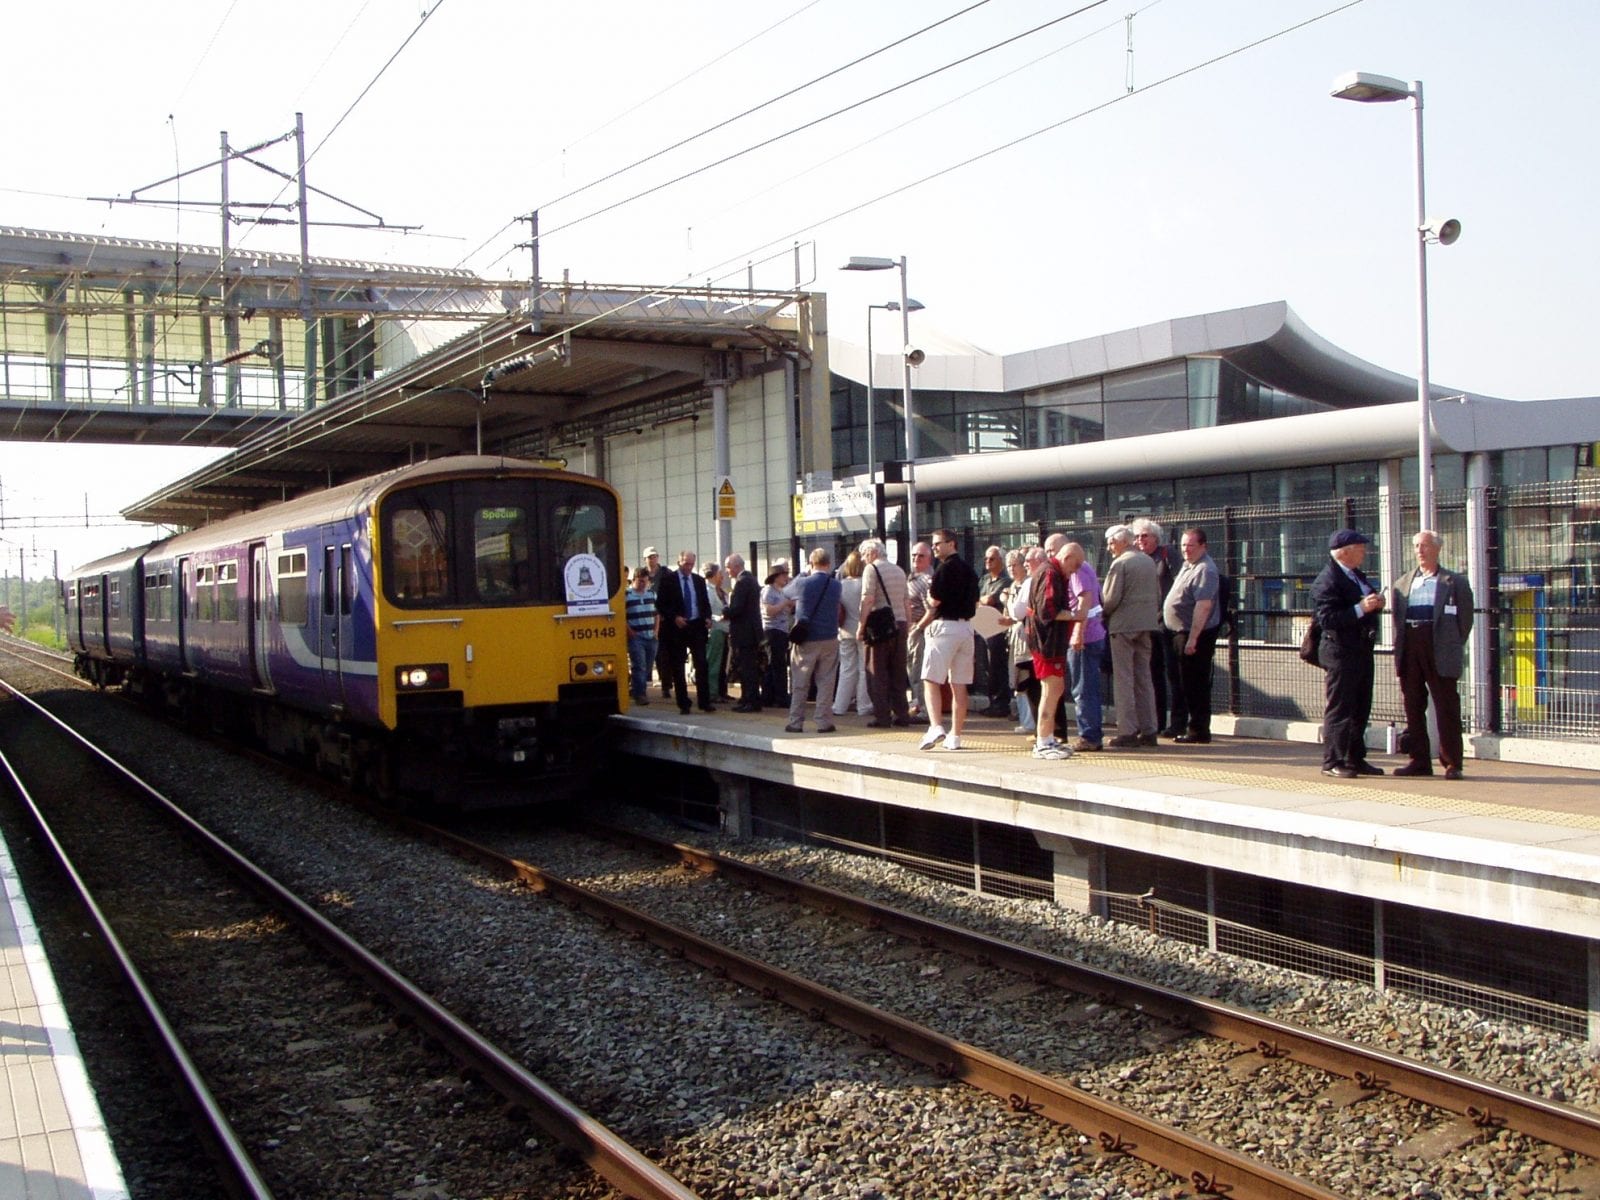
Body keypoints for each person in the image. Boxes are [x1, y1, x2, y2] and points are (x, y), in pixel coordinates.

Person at [1390, 529, 1474, 780]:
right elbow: (1397, 618)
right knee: (1413, 705)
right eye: (1416, 546)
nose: (1420, 551)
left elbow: (1465, 620)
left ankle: (1452, 763)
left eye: (1425, 545)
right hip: (1411, 645)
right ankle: (1419, 760)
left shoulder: (1454, 582)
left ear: (1437, 548)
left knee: (1446, 705)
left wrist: (1451, 643)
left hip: (1439, 646)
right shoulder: (1403, 583)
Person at [1311, 528, 1386, 779]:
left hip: (1361, 648)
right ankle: (1333, 759)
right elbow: (1328, 618)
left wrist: (1375, 604)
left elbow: (1363, 603)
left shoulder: (1356, 576)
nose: (1365, 552)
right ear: (1344, 552)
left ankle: (1355, 756)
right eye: (1360, 548)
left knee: (1360, 705)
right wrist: (1360, 608)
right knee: (1340, 707)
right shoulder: (1328, 580)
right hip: (1340, 650)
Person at [914, 528, 980, 750]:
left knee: (930, 679)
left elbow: (934, 601)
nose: (934, 548)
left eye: (937, 544)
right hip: (966, 628)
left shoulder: (943, 570)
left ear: (951, 543)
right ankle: (956, 735)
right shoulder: (970, 571)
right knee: (959, 684)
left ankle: (935, 726)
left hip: (944, 627)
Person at [1101, 524, 1161, 748]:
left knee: (1124, 679)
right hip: (1146, 624)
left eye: (1111, 542)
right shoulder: (1147, 561)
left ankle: (1127, 730)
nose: (1109, 548)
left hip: (1123, 626)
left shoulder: (1120, 563)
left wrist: (1101, 614)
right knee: (1144, 678)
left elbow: (1110, 599)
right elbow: (1157, 592)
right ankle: (1149, 729)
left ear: (1123, 541)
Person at [1162, 526, 1222, 744]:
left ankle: (1198, 730)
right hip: (1178, 632)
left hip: (1193, 634)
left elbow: (1203, 606)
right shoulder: (1189, 565)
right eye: (1183, 545)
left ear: (1203, 546)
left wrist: (1193, 638)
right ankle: (1181, 724)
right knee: (1181, 681)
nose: (1186, 550)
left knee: (1194, 683)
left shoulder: (1205, 570)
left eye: (1191, 545)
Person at [1133, 519, 1185, 738]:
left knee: (1174, 673)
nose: (1140, 540)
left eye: (1144, 536)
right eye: (1137, 537)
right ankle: (1155, 721)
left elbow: (1178, 584)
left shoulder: (1167, 555)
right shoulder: (1137, 559)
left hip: (1166, 623)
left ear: (1156, 537)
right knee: (1151, 674)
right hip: (1146, 623)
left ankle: (1178, 723)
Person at [1024, 539, 1074, 760]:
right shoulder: (1050, 574)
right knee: (1051, 688)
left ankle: (1047, 737)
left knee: (1055, 687)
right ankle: (1043, 741)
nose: (1076, 571)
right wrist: (1075, 615)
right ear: (1066, 558)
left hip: (1048, 641)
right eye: (1076, 565)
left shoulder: (1050, 572)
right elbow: (1047, 610)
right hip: (1047, 642)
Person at [785, 547, 843, 733]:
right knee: (826, 681)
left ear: (811, 563)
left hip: (806, 639)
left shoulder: (803, 583)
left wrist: (802, 573)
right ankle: (824, 722)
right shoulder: (836, 585)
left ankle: (796, 722)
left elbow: (786, 592)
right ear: (828, 564)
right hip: (830, 637)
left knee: (801, 681)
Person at [655, 549, 716, 715]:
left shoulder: (698, 581)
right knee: (678, 666)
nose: (689, 567)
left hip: (696, 625)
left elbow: (704, 602)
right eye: (686, 563)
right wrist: (674, 617)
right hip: (677, 628)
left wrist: (707, 617)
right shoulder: (668, 580)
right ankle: (684, 703)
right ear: (679, 562)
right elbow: (660, 604)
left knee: (701, 663)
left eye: (691, 564)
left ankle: (704, 701)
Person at [857, 538, 911, 727]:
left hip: (880, 626)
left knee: (876, 671)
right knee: (898, 671)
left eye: (864, 555)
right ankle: (902, 713)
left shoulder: (871, 569)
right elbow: (906, 601)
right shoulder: (899, 570)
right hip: (901, 624)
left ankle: (882, 716)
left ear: (872, 553)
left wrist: (861, 626)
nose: (863, 560)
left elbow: (868, 599)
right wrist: (908, 625)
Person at [1061, 542, 1107, 752]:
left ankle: (1089, 735)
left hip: (1084, 638)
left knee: (1083, 688)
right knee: (1088, 686)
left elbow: (1084, 601)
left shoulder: (1076, 570)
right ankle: (1091, 732)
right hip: (1094, 634)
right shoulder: (1086, 567)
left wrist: (1078, 632)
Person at [1000, 548, 1036, 734]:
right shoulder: (1012, 587)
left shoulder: (1028, 585)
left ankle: (1031, 721)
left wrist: (1007, 603)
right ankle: (1025, 719)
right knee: (1016, 679)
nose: (1012, 569)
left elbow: (1019, 612)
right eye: (1009, 566)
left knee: (1026, 678)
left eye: (1015, 565)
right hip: (1013, 637)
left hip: (1026, 637)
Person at [833, 550, 872, 717]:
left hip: (844, 631)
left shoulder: (840, 585)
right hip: (863, 630)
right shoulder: (865, 583)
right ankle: (863, 706)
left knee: (846, 668)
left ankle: (839, 706)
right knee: (864, 669)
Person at [723, 553, 763, 712]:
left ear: (736, 566)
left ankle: (751, 701)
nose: (727, 571)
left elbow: (737, 608)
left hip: (744, 632)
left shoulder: (742, 582)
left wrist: (726, 611)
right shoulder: (751, 580)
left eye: (728, 567)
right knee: (749, 667)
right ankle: (748, 697)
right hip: (751, 631)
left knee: (747, 668)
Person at [977, 544, 1012, 718]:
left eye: (992, 559)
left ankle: (1001, 703)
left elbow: (990, 599)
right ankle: (992, 701)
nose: (988, 562)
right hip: (983, 629)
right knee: (987, 667)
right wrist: (981, 600)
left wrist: (982, 600)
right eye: (986, 559)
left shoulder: (1006, 580)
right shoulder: (984, 580)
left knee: (997, 666)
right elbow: (976, 599)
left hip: (998, 630)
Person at [904, 541, 933, 718]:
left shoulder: (926, 580)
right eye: (914, 555)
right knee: (912, 670)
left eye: (921, 555)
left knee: (919, 669)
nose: (916, 559)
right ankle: (917, 703)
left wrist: (918, 627)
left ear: (929, 559)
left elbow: (931, 610)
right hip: (911, 630)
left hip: (920, 632)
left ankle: (923, 707)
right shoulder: (912, 578)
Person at [760, 562, 795, 707]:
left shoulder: (780, 591)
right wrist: (785, 604)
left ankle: (769, 696)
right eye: (784, 575)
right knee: (777, 664)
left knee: (775, 664)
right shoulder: (768, 591)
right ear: (776, 577)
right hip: (772, 630)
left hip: (781, 630)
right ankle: (779, 697)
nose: (786, 577)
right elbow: (769, 611)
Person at [624, 567, 658, 705]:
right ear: (634, 580)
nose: (643, 584)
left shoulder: (652, 594)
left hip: (651, 636)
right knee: (639, 665)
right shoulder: (627, 595)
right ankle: (641, 694)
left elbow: (657, 614)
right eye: (640, 581)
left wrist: (656, 631)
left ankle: (636, 687)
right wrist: (629, 631)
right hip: (636, 636)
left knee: (648, 665)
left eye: (645, 581)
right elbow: (622, 616)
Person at [642, 547, 673, 701]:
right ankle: (644, 687)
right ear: (645, 559)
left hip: (664, 621)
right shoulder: (641, 575)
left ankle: (666, 685)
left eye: (654, 556)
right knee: (647, 654)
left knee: (664, 654)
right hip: (646, 620)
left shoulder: (666, 574)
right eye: (649, 557)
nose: (652, 559)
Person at [703, 560, 731, 702]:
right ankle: (712, 692)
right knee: (714, 662)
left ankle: (721, 691)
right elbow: (707, 611)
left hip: (724, 630)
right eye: (719, 573)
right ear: (713, 574)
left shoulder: (720, 590)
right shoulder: (708, 591)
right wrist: (718, 617)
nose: (722, 576)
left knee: (722, 664)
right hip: (715, 630)